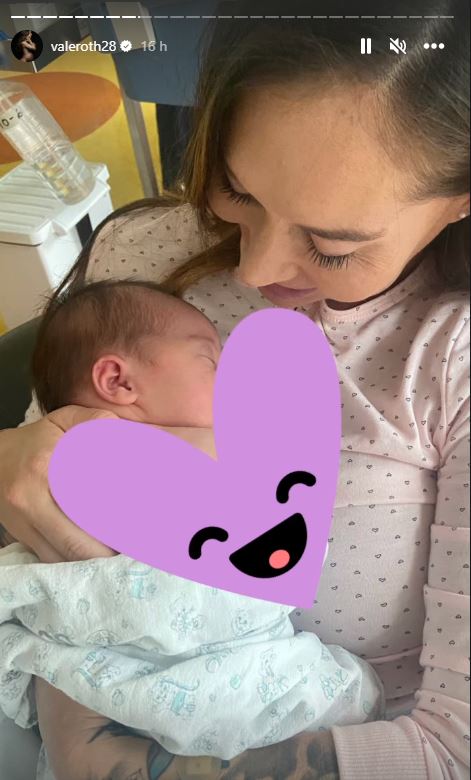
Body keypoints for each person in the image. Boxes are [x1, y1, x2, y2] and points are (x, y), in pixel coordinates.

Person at [0, 1, 469, 778]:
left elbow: (452, 747)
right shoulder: (141, 257)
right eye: (235, 190)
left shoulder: (448, 359)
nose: (253, 272)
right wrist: (14, 456)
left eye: (330, 246)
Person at [0, 278, 384, 777]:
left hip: (111, 701)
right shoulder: (112, 458)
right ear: (117, 381)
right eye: (211, 361)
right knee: (350, 697)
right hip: (176, 674)